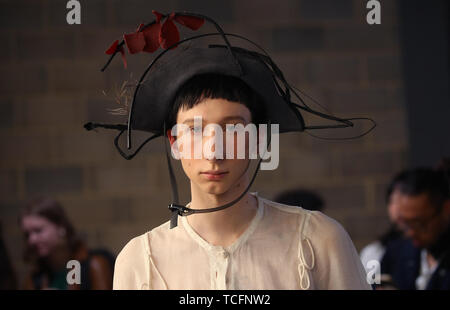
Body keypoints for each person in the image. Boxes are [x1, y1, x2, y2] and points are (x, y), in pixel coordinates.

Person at [86, 10, 373, 290]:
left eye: (232, 129)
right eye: (195, 130)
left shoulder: (316, 241)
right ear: (174, 141)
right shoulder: (141, 260)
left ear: (258, 138)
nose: (214, 151)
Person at [20, 197, 115, 290]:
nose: (32, 240)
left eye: (38, 230)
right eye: (27, 234)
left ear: (61, 227)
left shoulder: (93, 266)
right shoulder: (36, 279)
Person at [380, 167, 450, 290]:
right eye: (405, 224)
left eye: (420, 224)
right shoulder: (397, 253)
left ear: (446, 209)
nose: (411, 232)